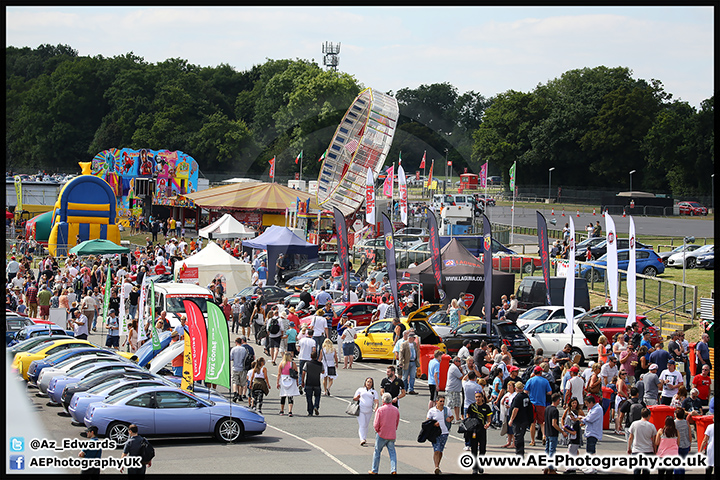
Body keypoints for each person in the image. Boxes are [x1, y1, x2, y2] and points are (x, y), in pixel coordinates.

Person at [369, 392, 400, 474]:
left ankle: (374, 470)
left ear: (383, 400)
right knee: (392, 452)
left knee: (377, 452)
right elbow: (397, 422)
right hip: (391, 434)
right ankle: (393, 469)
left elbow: (376, 423)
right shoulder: (395, 410)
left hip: (381, 434)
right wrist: (394, 429)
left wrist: (377, 430)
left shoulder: (380, 410)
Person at [525, 365, 552, 447]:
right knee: (542, 422)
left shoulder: (530, 380)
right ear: (540, 372)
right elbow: (550, 392)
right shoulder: (545, 381)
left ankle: (532, 440)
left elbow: (526, 391)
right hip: (541, 403)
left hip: (532, 403)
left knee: (532, 423)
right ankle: (544, 436)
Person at [426, 393, 453, 475]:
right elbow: (427, 421)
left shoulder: (447, 409)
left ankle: (438, 465)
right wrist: (434, 424)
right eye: (440, 401)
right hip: (435, 433)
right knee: (436, 449)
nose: (442, 403)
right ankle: (436, 467)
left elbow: (452, 417)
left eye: (443, 401)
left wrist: (450, 419)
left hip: (444, 433)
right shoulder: (432, 411)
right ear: (437, 402)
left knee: (440, 450)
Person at [627, 408, 657, 478]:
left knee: (636, 471)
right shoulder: (651, 426)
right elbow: (654, 441)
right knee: (646, 472)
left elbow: (630, 437)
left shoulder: (634, 424)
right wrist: (655, 450)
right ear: (649, 415)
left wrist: (629, 447)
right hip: (648, 450)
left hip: (636, 450)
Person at [508, 381, 532, 456]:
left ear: (516, 388)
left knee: (518, 436)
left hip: (518, 420)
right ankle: (521, 451)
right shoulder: (525, 396)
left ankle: (519, 453)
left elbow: (516, 409)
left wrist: (511, 419)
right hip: (524, 419)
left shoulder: (518, 397)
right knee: (521, 436)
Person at [544, 392, 566, 473]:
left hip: (547, 432)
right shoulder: (554, 410)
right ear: (557, 400)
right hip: (553, 433)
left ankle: (546, 466)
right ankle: (551, 468)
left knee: (547, 450)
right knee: (552, 451)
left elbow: (544, 422)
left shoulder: (547, 408)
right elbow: (554, 423)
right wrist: (562, 432)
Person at [354, 377, 380, 446]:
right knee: (362, 424)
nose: (368, 383)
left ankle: (364, 437)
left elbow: (376, 401)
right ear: (365, 382)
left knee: (366, 425)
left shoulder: (373, 392)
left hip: (369, 411)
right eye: (367, 382)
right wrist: (357, 397)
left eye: (370, 382)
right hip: (361, 410)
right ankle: (362, 439)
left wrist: (376, 406)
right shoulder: (360, 390)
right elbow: (355, 398)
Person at [301, 350, 324, 416]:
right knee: (317, 396)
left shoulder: (307, 364)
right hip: (317, 382)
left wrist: (302, 381)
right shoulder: (320, 364)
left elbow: (303, 372)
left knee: (309, 397)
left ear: (310, 357)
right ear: (316, 356)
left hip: (309, 382)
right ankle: (316, 406)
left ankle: (310, 411)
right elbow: (322, 371)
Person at [276, 351, 300, 416]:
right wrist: (297, 382)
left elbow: (279, 374)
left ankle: (282, 410)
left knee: (283, 395)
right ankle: (290, 411)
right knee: (290, 396)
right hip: (291, 379)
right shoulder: (293, 364)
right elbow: (296, 373)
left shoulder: (281, 364)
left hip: (283, 379)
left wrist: (277, 382)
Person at [581, 395, 603, 460]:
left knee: (591, 450)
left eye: (587, 404)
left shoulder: (597, 409)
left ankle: (592, 466)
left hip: (593, 432)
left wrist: (581, 418)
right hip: (590, 432)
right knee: (589, 450)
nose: (587, 405)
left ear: (591, 402)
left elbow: (589, 419)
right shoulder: (593, 409)